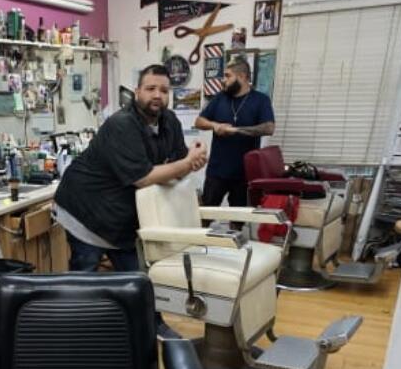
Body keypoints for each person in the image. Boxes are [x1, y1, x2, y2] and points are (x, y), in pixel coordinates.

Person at [54, 63, 207, 273]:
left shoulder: (170, 121)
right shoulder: (122, 124)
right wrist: (187, 163)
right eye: (150, 88)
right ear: (137, 92)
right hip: (85, 211)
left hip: (122, 218)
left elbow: (178, 163)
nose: (157, 95)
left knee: (136, 281)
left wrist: (194, 160)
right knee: (84, 281)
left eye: (164, 90)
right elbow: (143, 177)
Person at [194, 58, 275, 206]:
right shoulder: (220, 98)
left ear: (242, 76)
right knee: (205, 216)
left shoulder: (261, 100)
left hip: (244, 173)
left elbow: (269, 128)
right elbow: (199, 121)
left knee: (238, 220)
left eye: (228, 76)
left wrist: (235, 130)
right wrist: (215, 126)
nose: (223, 80)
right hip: (217, 171)